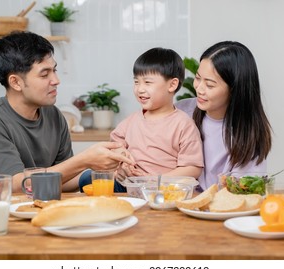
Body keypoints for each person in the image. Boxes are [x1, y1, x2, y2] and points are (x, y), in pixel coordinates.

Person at [0, 31, 134, 193]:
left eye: (54, 70)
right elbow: (17, 185)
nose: (56, 80)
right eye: (44, 74)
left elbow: (64, 179)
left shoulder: (53, 115)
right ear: (16, 82)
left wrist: (105, 171)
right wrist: (85, 160)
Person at [79, 47, 204, 192]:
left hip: (163, 190)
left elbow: (192, 169)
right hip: (128, 185)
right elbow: (115, 146)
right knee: (87, 178)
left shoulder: (184, 124)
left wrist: (154, 181)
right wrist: (122, 160)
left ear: (172, 85)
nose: (140, 89)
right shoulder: (132, 120)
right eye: (136, 82)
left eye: (147, 82)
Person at [175, 41, 272, 190]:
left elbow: (244, 193)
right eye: (198, 78)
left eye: (210, 85)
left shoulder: (247, 135)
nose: (199, 88)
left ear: (234, 89)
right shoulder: (181, 111)